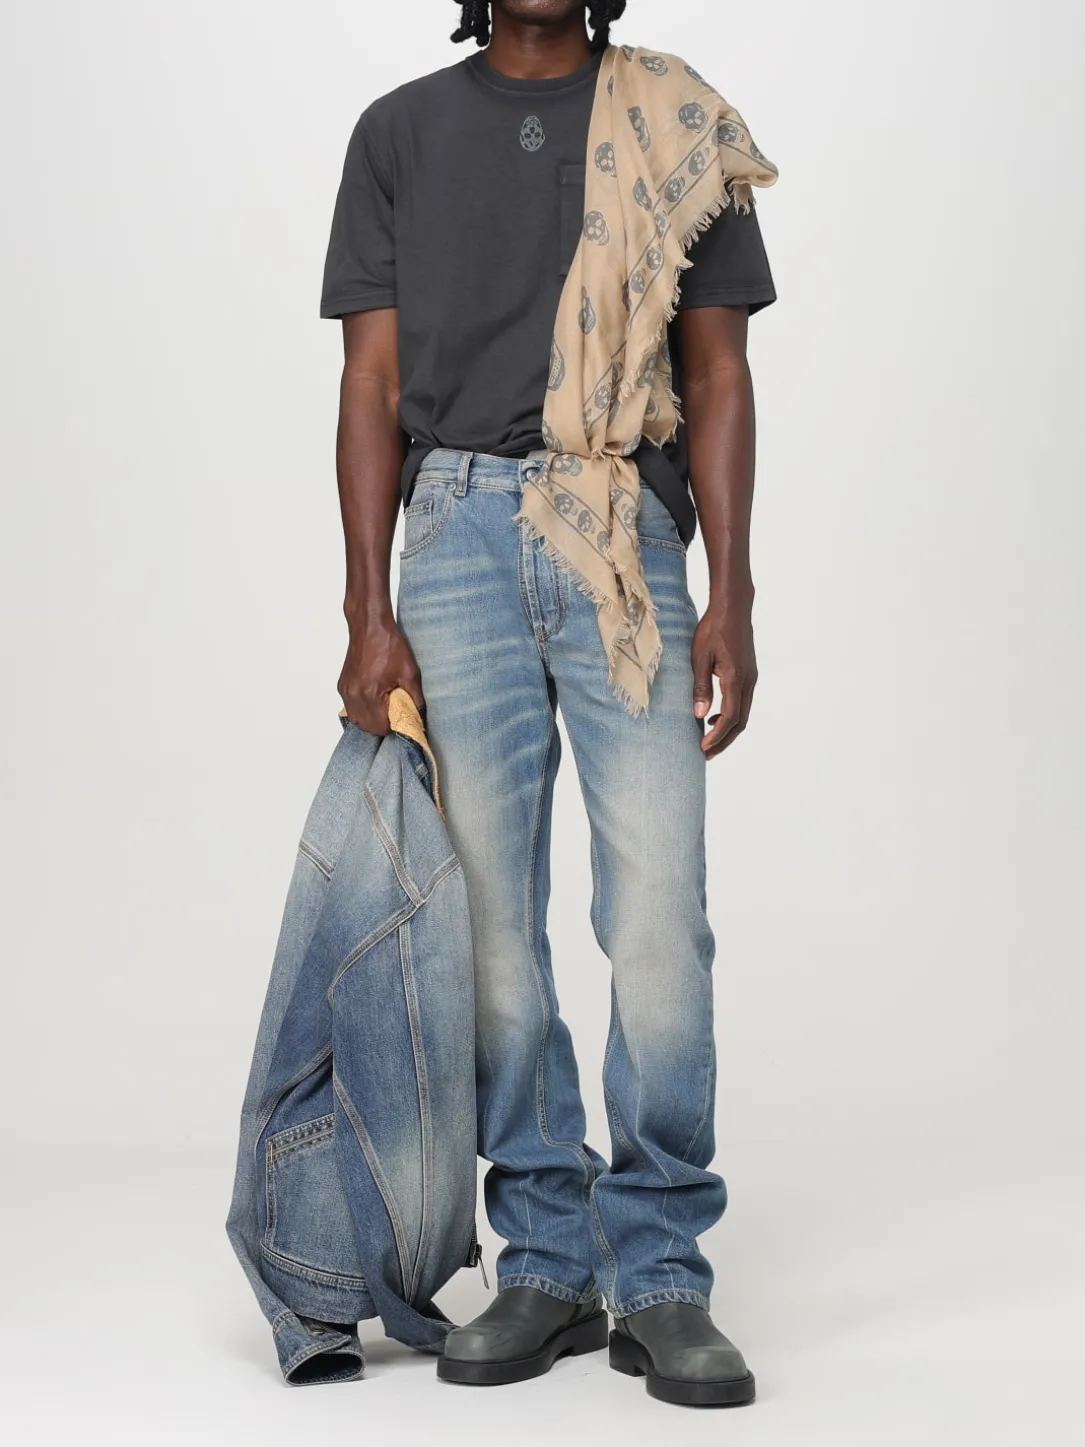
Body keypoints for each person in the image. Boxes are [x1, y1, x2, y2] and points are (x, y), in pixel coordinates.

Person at [319, 0, 775, 1407]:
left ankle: (662, 1270)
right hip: (452, 537)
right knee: (489, 930)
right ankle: (549, 1257)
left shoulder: (674, 121)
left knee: (658, 913)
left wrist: (732, 593)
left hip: (626, 530)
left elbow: (717, 370)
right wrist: (368, 611)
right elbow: (372, 381)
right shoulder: (398, 133)